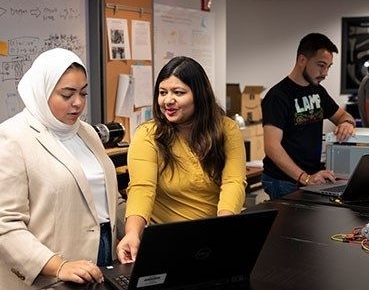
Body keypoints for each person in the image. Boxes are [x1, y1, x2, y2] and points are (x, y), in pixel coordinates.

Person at [0, 48, 126, 290]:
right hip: (46, 276)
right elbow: (2, 226)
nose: (78, 103)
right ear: (43, 90)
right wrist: (57, 265)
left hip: (100, 263)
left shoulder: (87, 132)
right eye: (67, 94)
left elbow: (109, 199)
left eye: (83, 93)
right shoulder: (10, 137)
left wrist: (133, 230)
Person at [116, 56, 247, 263]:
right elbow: (142, 188)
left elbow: (233, 181)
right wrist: (132, 233)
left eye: (178, 92)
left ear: (199, 95)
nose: (168, 100)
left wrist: (223, 228)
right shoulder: (148, 135)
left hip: (215, 233)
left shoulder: (226, 129)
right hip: (170, 240)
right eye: (162, 93)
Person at [261, 33, 356, 200]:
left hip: (310, 177)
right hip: (284, 180)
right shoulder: (278, 96)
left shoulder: (317, 91)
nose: (325, 73)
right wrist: (304, 177)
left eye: (328, 66)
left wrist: (347, 123)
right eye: (321, 65)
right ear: (302, 60)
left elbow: (343, 115)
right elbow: (272, 147)